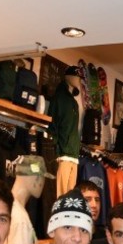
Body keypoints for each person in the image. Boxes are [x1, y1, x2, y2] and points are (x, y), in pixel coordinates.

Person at [5, 155, 53, 244]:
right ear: (35, 178)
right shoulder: (19, 217)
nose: (43, 183)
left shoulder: (9, 207)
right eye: (42, 177)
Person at [48, 66, 83, 197]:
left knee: (70, 198)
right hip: (63, 155)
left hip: (74, 155)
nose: (78, 80)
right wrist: (56, 151)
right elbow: (52, 126)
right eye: (76, 76)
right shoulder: (59, 98)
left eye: (79, 77)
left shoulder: (74, 103)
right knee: (60, 197)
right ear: (67, 77)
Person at [78, 179, 109, 244]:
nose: (94, 205)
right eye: (88, 200)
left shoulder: (106, 237)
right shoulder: (71, 237)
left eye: (97, 200)